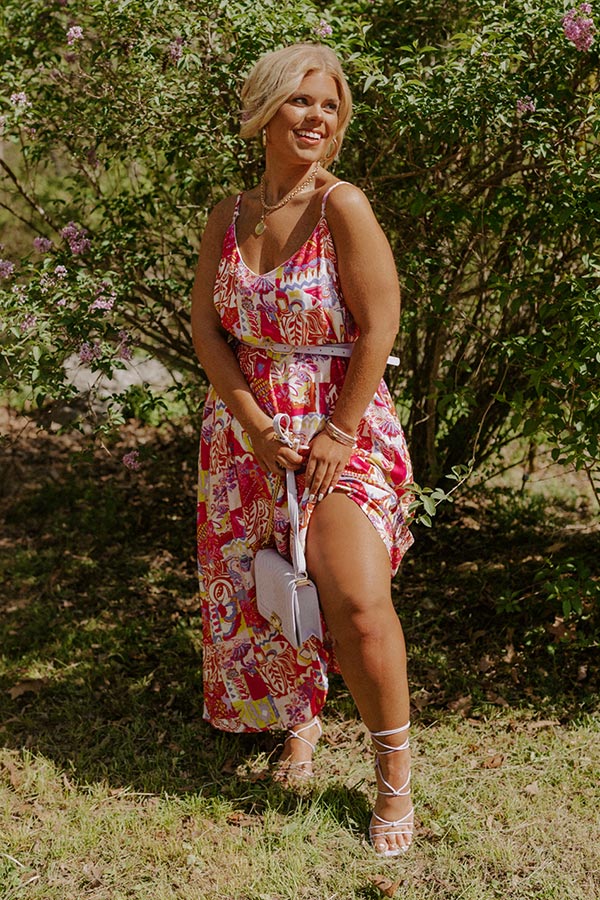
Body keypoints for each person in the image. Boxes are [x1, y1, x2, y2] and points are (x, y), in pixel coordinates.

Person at [191, 42, 415, 858]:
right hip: (246, 432)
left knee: (355, 599)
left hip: (337, 423)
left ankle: (393, 775)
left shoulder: (341, 205)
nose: (316, 117)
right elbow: (206, 329)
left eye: (329, 104)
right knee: (272, 587)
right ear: (264, 111)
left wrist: (338, 432)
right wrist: (253, 423)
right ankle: (301, 721)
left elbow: (380, 325)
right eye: (300, 101)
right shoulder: (229, 214)